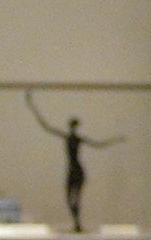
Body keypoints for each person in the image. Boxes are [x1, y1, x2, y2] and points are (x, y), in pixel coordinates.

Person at [25, 92, 124, 232]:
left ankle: (77, 224)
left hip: (77, 170)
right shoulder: (69, 137)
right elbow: (46, 126)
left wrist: (116, 140)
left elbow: (99, 144)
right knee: (69, 199)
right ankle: (77, 224)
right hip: (72, 170)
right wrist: (32, 106)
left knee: (75, 199)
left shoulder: (76, 139)